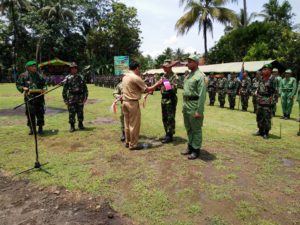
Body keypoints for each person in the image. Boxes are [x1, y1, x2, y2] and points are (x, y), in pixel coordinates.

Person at [122, 62, 162, 150]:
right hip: (132, 103)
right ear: (136, 68)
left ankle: (128, 142)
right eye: (139, 69)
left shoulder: (125, 77)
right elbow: (148, 89)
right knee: (134, 124)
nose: (139, 71)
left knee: (127, 124)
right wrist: (158, 84)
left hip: (125, 102)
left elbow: (135, 89)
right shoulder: (135, 77)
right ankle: (133, 145)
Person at [181, 54, 206, 160]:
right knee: (188, 128)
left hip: (194, 105)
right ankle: (190, 146)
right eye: (188, 61)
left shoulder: (201, 76)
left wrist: (199, 111)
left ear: (196, 63)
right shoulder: (188, 75)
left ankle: (196, 150)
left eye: (190, 61)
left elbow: (202, 95)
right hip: (186, 105)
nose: (188, 63)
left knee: (196, 129)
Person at [16, 60, 47, 135]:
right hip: (29, 98)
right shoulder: (23, 75)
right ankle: (32, 129)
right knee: (30, 114)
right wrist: (23, 88)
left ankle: (40, 128)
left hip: (39, 97)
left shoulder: (39, 75)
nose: (34, 67)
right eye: (32, 66)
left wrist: (45, 88)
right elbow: (18, 84)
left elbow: (44, 84)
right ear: (28, 67)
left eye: (35, 66)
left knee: (40, 113)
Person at [62, 62, 88, 132]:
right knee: (71, 112)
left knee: (80, 112)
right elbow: (64, 90)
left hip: (80, 97)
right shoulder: (67, 78)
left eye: (75, 68)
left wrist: (85, 97)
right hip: (71, 97)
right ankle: (72, 126)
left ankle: (80, 124)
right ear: (70, 69)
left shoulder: (81, 77)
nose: (74, 70)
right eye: (72, 68)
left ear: (77, 69)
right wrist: (65, 99)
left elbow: (85, 88)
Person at [255, 64, 276, 139]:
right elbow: (258, 88)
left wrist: (273, 102)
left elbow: (275, 92)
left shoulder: (273, 79)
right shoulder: (261, 78)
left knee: (266, 117)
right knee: (259, 116)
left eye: (265, 69)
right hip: (260, 99)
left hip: (267, 100)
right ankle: (260, 130)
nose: (264, 70)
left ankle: (266, 133)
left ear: (270, 70)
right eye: (263, 69)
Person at [160, 60, 179, 143]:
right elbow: (159, 85)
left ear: (170, 67)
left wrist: (165, 82)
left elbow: (173, 89)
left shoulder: (174, 76)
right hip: (164, 98)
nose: (163, 68)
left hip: (170, 98)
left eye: (165, 67)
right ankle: (167, 133)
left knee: (170, 118)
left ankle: (170, 135)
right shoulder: (164, 75)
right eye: (163, 67)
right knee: (164, 117)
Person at [113, 76, 125, 141]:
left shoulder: (133, 83)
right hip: (124, 104)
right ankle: (123, 133)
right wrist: (119, 96)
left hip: (133, 104)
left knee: (133, 119)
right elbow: (115, 93)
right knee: (123, 118)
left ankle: (133, 133)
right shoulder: (120, 85)